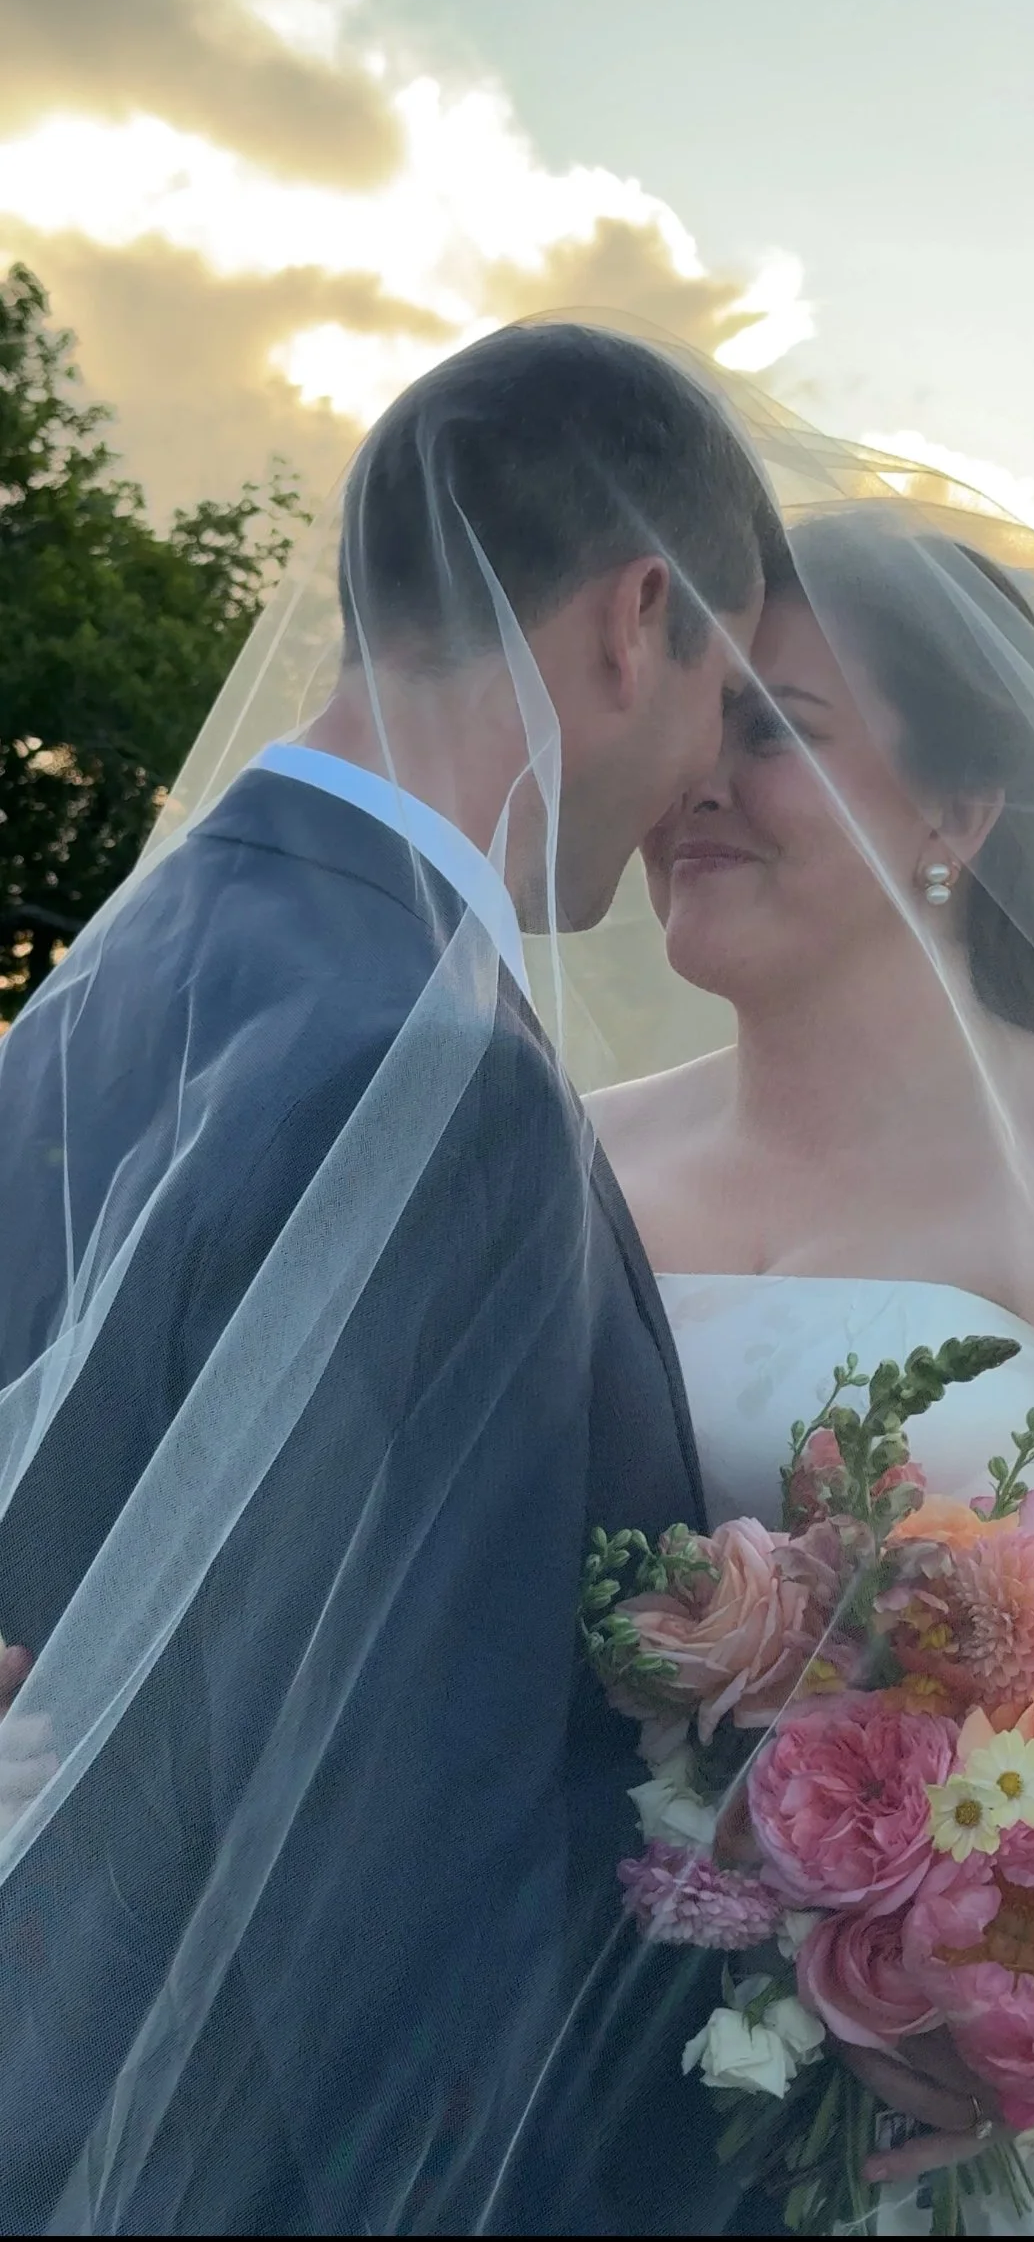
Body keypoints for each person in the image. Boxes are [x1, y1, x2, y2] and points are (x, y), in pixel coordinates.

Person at [0, 321, 779, 2234]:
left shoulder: (109, 984)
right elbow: (397, 1852)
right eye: (728, 693)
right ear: (634, 619)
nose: (706, 776)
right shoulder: (442, 1080)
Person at [590, 505, 1034, 2234]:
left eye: (776, 730)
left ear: (960, 810)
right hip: (609, 2098)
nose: (701, 780)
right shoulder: (570, 1167)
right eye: (692, 722)